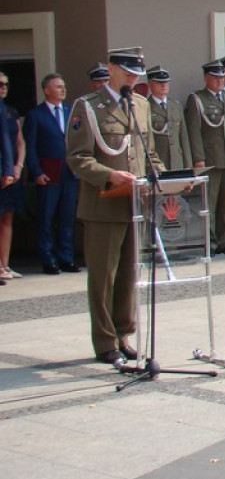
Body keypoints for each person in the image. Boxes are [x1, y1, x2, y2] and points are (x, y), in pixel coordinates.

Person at [66, 47, 164, 363]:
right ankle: (105, 342)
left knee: (127, 276)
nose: (133, 79)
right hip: (103, 205)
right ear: (111, 69)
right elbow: (78, 159)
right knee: (103, 277)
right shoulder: (89, 107)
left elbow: (148, 152)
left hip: (134, 204)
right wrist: (110, 175)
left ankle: (123, 333)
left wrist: (162, 177)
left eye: (137, 74)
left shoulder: (141, 105)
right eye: (127, 73)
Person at [185, 59, 225, 255]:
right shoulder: (197, 99)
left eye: (222, 77)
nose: (220, 81)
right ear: (207, 78)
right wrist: (198, 158)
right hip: (211, 159)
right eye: (216, 78)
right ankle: (210, 242)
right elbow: (194, 131)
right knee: (209, 204)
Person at [24, 73, 78, 274]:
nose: (62, 90)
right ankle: (48, 259)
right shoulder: (36, 115)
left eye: (63, 86)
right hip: (48, 172)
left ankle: (66, 257)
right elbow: (31, 147)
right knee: (46, 218)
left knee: (67, 218)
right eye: (57, 87)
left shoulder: (71, 110)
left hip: (69, 173)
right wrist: (36, 171)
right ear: (46, 90)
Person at [0, 70, 24, 280]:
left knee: (7, 216)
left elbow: (18, 142)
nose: (3, 88)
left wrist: (17, 166)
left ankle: (5, 265)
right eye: (0, 84)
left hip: (9, 171)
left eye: (6, 84)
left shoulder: (10, 112)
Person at [146, 65, 191, 171]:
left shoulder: (176, 105)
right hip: (157, 162)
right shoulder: (145, 106)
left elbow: (183, 137)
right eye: (159, 82)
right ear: (150, 84)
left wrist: (188, 165)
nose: (163, 85)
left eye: (166, 82)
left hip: (177, 161)